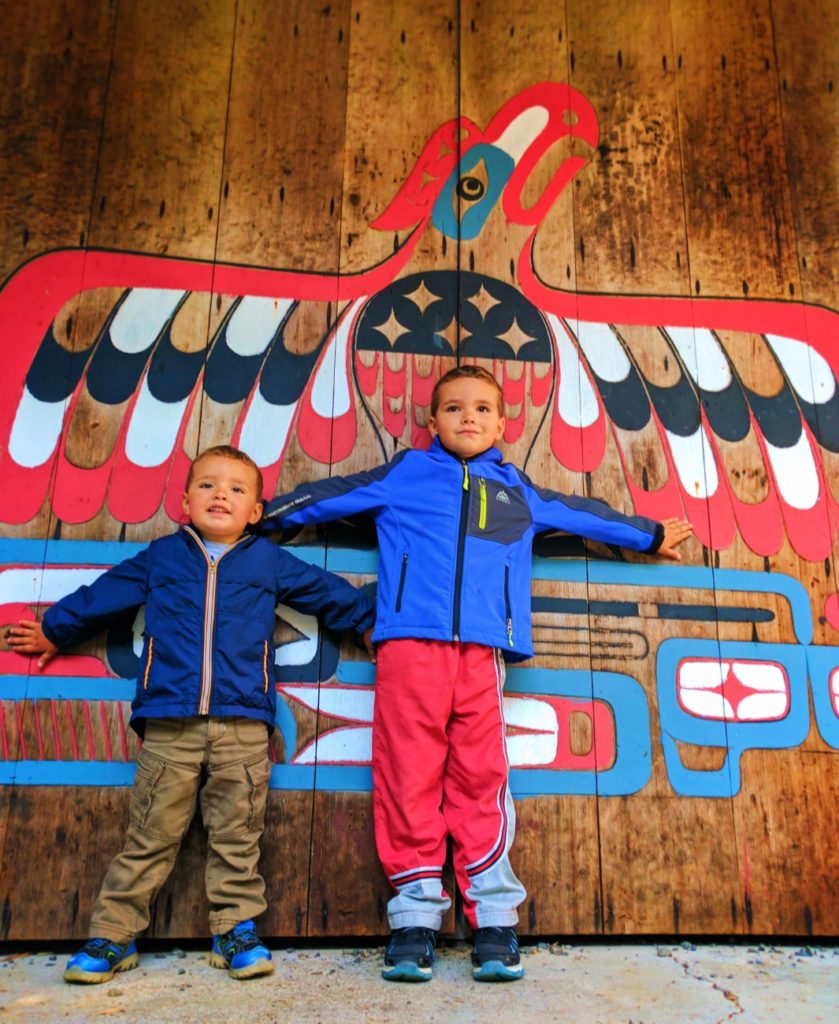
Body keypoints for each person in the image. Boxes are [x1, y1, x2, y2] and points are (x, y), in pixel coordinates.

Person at [263, 365, 692, 983]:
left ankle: (492, 917)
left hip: (483, 653)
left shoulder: (516, 491)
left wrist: (647, 534)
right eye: (455, 407)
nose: (470, 417)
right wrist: (262, 515)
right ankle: (413, 918)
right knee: (407, 772)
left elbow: (581, 514)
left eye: (484, 408)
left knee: (481, 776)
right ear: (431, 422)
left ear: (502, 424)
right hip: (410, 646)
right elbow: (329, 496)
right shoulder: (404, 475)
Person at [8, 445, 375, 984]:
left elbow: (328, 595)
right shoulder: (162, 557)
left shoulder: (268, 560)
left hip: (243, 727)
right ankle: (113, 935)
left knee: (238, 834)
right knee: (150, 834)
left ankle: (235, 930)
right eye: (206, 485)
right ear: (184, 501)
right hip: (170, 725)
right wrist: (55, 628)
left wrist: (373, 622)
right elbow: (101, 596)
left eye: (235, 488)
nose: (219, 494)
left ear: (255, 511)